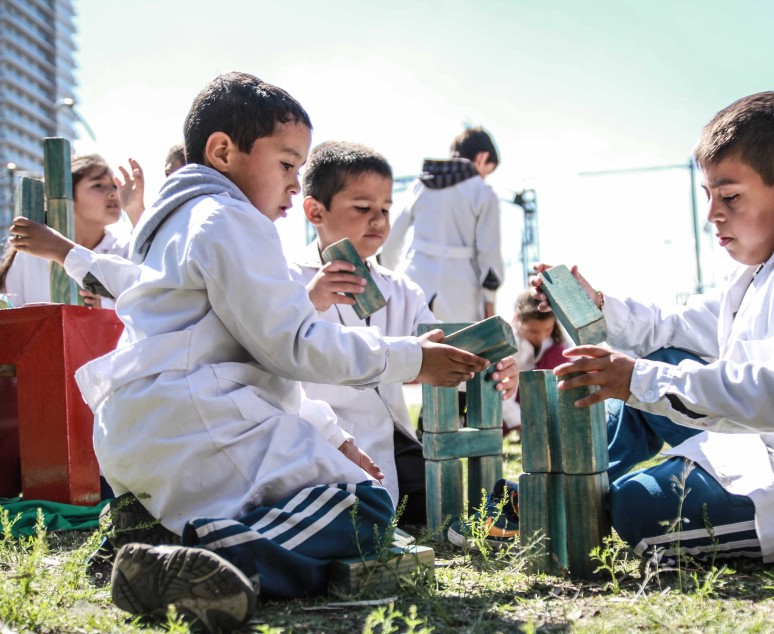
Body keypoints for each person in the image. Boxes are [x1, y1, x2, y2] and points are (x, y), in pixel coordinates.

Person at [56, 72, 490, 630]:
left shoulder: (177, 226)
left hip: (157, 427)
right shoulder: (229, 219)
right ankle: (212, 560)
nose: (293, 183)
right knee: (363, 509)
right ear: (223, 152)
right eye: (286, 164)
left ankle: (152, 531)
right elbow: (292, 345)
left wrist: (333, 436)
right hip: (197, 422)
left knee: (326, 492)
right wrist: (413, 359)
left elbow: (260, 354)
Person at [524, 92, 774, 565]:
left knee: (638, 507)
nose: (712, 214)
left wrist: (635, 379)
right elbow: (674, 327)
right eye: (708, 197)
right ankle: (554, 494)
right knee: (658, 366)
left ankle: (572, 504)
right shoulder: (770, 264)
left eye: (730, 197)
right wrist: (599, 306)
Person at [288, 140, 518, 526]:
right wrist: (310, 302)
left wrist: (491, 364)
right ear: (315, 211)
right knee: (349, 519)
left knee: (434, 511)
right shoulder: (288, 282)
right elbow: (279, 357)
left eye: (385, 209)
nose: (378, 221)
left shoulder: (402, 290)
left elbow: (440, 347)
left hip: (391, 442)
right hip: (319, 441)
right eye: (362, 208)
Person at [381, 126, 504, 321]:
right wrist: (490, 301)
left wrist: (389, 279)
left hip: (415, 280)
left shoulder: (420, 185)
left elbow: (391, 240)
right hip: (461, 293)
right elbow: (489, 254)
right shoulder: (483, 192)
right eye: (486, 172)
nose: (484, 177)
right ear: (482, 158)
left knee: (411, 339)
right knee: (458, 341)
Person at [0, 155, 144, 308]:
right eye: (98, 185)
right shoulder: (31, 253)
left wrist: (105, 307)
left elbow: (149, 303)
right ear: (68, 194)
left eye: (115, 186)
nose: (113, 193)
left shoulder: (127, 250)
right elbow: (10, 314)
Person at [501, 288, 568, 434]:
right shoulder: (507, 342)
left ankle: (553, 422)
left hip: (536, 396)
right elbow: (501, 389)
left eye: (548, 329)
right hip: (507, 402)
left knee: (561, 354)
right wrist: (522, 423)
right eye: (533, 331)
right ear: (517, 319)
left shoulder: (555, 343)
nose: (541, 336)